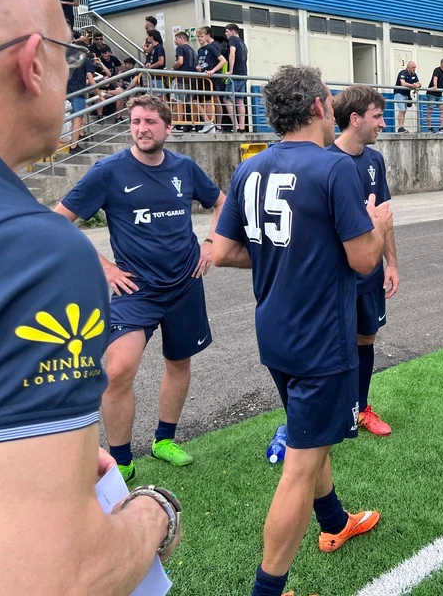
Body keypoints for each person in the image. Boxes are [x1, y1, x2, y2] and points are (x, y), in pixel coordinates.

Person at [0, 0, 182, 595]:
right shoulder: (32, 250)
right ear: (31, 63)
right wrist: (155, 513)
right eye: (70, 57)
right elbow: (59, 577)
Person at [211, 65, 392, 596]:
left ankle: (334, 521)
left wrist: (288, 254)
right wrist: (379, 228)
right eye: (329, 100)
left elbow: (221, 251)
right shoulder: (336, 167)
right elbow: (363, 260)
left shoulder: (250, 168)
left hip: (275, 333)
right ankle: (267, 590)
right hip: (321, 339)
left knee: (313, 438)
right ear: (318, 107)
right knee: (299, 465)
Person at [54, 94, 226, 483]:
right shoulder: (108, 171)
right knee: (118, 370)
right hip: (135, 290)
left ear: (168, 127)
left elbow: (221, 202)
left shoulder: (184, 168)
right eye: (135, 122)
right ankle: (122, 461)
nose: (142, 129)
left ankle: (164, 440)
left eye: (150, 122)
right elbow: (58, 221)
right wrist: (104, 268)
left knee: (179, 363)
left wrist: (211, 243)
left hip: (185, 283)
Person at [327, 85, 400, 435]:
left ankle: (360, 407)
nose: (383, 124)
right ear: (355, 119)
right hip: (335, 275)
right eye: (377, 117)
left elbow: (384, 216)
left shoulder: (374, 160)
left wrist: (392, 263)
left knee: (366, 337)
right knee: (331, 344)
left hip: (369, 272)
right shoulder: (324, 159)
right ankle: (330, 412)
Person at [66, 29, 97, 154]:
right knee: (78, 118)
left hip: (68, 92)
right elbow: (91, 79)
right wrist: (100, 95)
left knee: (77, 117)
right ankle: (74, 146)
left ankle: (79, 137)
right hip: (78, 92)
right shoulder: (85, 60)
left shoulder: (69, 60)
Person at [196, 26, 226, 133]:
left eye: (201, 36)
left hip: (211, 78)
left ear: (207, 36)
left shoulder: (212, 47)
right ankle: (209, 122)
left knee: (210, 100)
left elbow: (223, 60)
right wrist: (199, 68)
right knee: (197, 100)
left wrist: (213, 70)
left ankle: (212, 124)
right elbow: (202, 63)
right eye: (198, 36)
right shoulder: (200, 50)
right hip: (202, 78)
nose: (199, 38)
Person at [224, 24, 250, 132]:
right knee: (240, 100)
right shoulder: (242, 43)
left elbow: (232, 54)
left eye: (227, 31)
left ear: (232, 31)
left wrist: (230, 71)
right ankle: (242, 126)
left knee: (227, 99)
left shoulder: (233, 40)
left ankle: (235, 125)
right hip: (243, 73)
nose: (225, 34)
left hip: (236, 74)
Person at [394, 61, 421, 133]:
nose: (414, 69)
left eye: (415, 67)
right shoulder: (403, 73)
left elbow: (419, 83)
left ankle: (402, 127)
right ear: (408, 67)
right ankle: (400, 127)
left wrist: (417, 85)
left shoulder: (414, 74)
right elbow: (403, 83)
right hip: (399, 93)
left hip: (406, 94)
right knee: (402, 109)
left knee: (404, 111)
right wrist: (413, 86)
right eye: (413, 67)